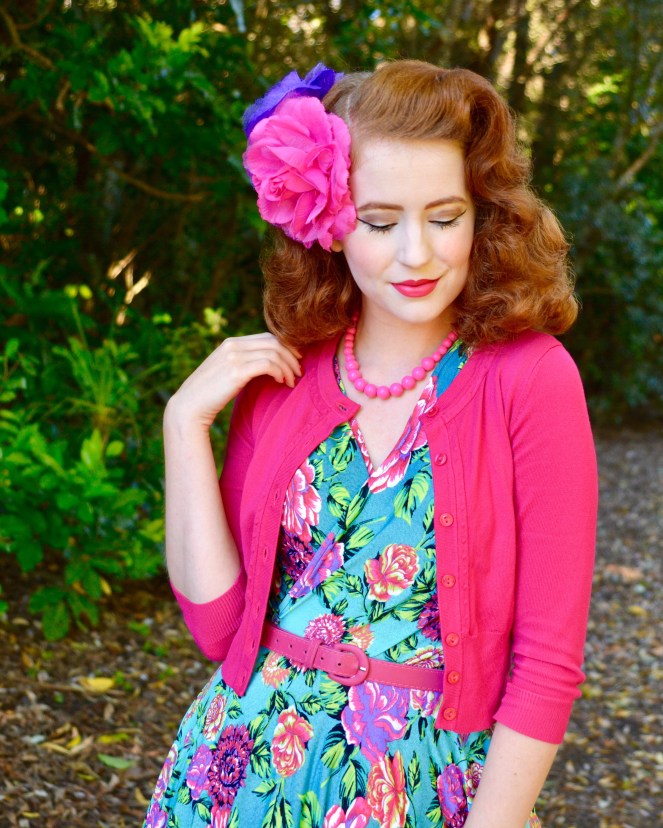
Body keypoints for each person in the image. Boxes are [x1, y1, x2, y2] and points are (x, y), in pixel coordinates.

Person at [143, 60, 598, 828]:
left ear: (482, 214)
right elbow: (218, 629)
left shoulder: (530, 380)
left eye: (444, 217)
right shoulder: (286, 375)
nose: (415, 253)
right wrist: (183, 424)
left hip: (417, 790)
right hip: (231, 777)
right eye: (380, 222)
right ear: (328, 220)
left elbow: (547, 666)